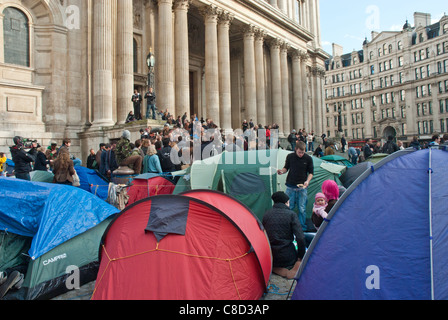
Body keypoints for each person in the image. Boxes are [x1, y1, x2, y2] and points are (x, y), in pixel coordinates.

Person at [262, 191, 306, 280]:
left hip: (271, 256)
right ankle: (292, 268)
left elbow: (263, 235)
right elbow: (300, 237)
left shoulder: (266, 214)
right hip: (288, 257)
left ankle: (275, 268)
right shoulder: (291, 214)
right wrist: (300, 256)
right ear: (286, 202)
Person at [277, 141, 314, 232]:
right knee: (289, 207)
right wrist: (282, 171)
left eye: (303, 152)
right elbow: (286, 168)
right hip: (290, 186)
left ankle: (302, 228)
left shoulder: (308, 158)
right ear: (295, 149)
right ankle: (289, 226)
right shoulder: (290, 157)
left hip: (302, 187)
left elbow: (311, 173)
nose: (301, 154)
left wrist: (307, 181)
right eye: (299, 152)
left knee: (302, 209)